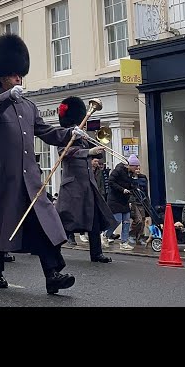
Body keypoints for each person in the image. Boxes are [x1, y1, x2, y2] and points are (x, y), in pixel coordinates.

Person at [0, 33, 80, 294]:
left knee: (45, 224)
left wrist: (71, 133)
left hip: (28, 179)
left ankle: (53, 274)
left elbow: (47, 132)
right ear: (2, 76)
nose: (19, 78)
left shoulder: (29, 106)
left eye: (20, 74)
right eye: (13, 74)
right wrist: (7, 95)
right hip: (2, 178)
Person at [55, 96, 117, 264]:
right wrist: (88, 153)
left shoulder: (82, 135)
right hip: (72, 185)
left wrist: (97, 149)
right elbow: (64, 153)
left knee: (94, 220)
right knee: (65, 221)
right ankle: (53, 252)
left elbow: (96, 153)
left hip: (88, 184)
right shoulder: (64, 134)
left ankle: (96, 253)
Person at [106, 154, 140, 250]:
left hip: (125, 199)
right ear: (131, 165)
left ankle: (124, 242)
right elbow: (111, 182)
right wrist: (122, 189)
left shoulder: (131, 174)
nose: (137, 168)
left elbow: (131, 185)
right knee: (116, 220)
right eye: (136, 166)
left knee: (126, 221)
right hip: (115, 199)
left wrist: (134, 185)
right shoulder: (119, 170)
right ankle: (105, 234)